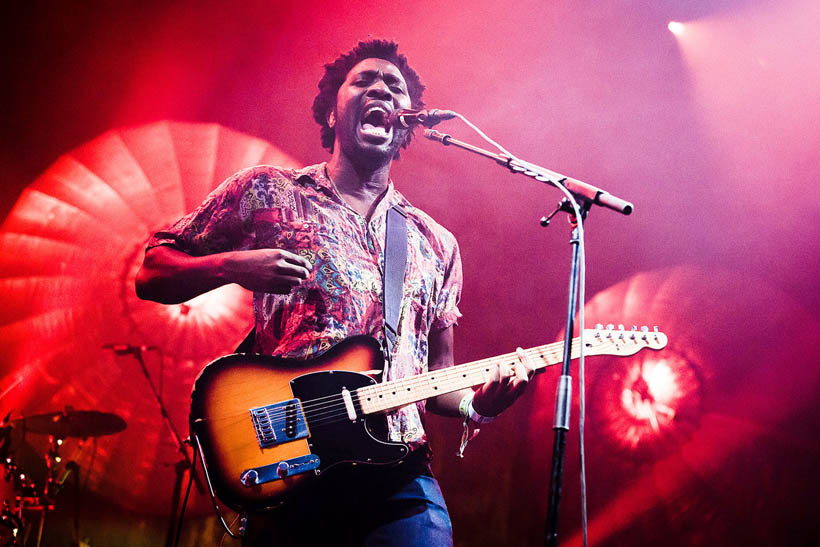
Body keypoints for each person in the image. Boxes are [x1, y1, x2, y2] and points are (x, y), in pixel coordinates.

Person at [136, 39, 533, 546]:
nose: (382, 91)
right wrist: (234, 266)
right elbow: (152, 270)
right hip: (291, 462)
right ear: (329, 114)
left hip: (398, 473)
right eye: (364, 81)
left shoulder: (436, 243)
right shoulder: (269, 192)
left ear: (407, 124)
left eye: (395, 88)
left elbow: (437, 377)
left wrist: (480, 404)